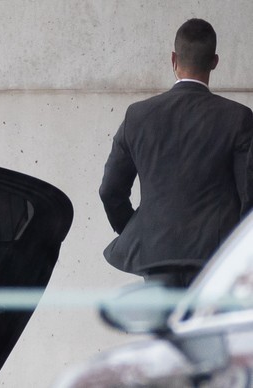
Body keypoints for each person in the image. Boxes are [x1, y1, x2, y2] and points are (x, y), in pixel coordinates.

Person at [99, 18, 253, 288]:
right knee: (207, 331)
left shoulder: (138, 116)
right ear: (214, 61)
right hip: (215, 261)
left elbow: (110, 190)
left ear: (173, 59)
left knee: (163, 330)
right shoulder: (238, 118)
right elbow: (249, 196)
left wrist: (139, 230)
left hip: (157, 256)